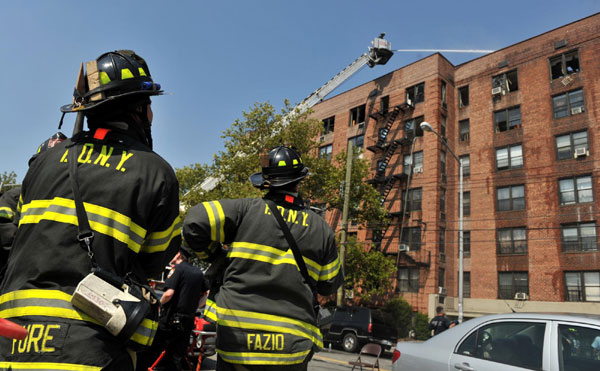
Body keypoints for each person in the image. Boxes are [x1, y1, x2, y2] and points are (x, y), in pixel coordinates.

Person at [0, 50, 181, 370]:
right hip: (90, 349)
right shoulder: (155, 173)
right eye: (149, 105)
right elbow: (153, 264)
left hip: (12, 341)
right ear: (139, 108)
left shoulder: (43, 162)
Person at [183, 146, 344, 370]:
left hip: (238, 340)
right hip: (291, 349)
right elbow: (328, 285)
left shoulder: (245, 211)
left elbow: (194, 221)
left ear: (265, 183)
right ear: (299, 182)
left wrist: (218, 257)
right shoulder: (322, 230)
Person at [137, 246, 208, 371]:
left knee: (152, 349)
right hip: (188, 320)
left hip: (171, 319)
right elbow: (206, 293)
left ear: (179, 255)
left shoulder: (177, 270)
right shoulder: (198, 272)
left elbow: (169, 293)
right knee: (177, 355)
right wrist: (196, 306)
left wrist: (158, 305)